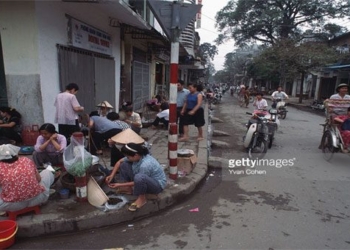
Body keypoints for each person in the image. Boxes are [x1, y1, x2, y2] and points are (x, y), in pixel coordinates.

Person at [105, 143, 167, 212]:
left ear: (136, 155)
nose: (127, 158)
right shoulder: (137, 155)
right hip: (142, 178)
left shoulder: (145, 164)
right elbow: (119, 162)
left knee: (139, 177)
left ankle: (142, 198)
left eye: (128, 157)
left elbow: (139, 180)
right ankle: (128, 189)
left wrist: (119, 185)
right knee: (124, 164)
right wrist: (111, 175)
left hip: (157, 185)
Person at [0, 144, 55, 211]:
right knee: (48, 172)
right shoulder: (26, 160)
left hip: (12, 205)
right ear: (15, 154)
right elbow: (39, 179)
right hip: (37, 198)